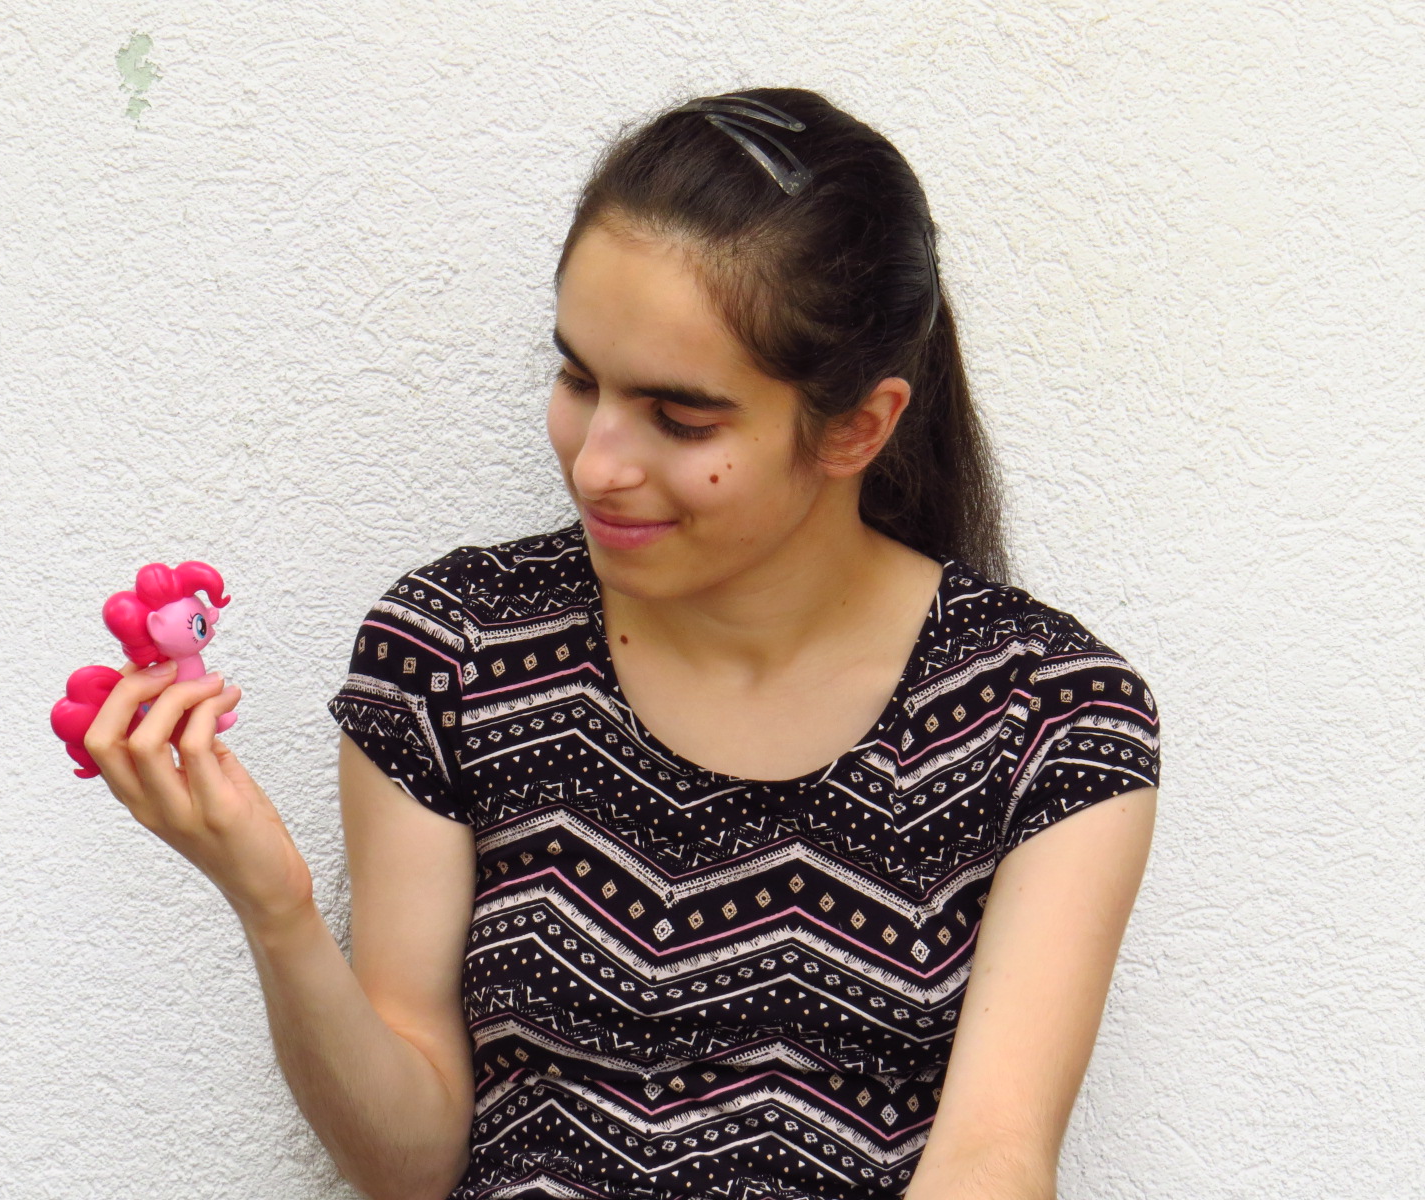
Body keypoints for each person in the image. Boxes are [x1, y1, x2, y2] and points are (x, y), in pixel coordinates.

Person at [81, 87, 1161, 1200]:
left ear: (858, 426)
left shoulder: (1046, 715)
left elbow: (992, 1159)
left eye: (680, 419)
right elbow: (407, 1164)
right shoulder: (454, 650)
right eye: (577, 378)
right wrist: (277, 909)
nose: (597, 463)